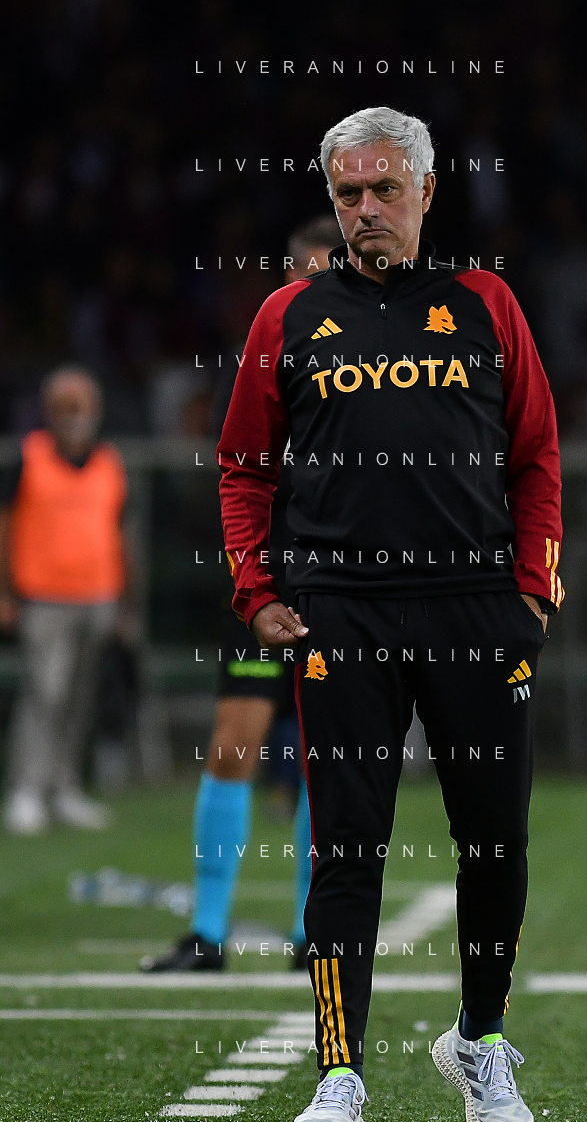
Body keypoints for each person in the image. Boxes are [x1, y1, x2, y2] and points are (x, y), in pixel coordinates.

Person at [218, 107, 564, 1122]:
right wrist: (256, 589)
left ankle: (481, 1039)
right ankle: (339, 1072)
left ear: (425, 192)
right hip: (341, 613)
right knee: (346, 847)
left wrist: (533, 590)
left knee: (494, 840)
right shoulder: (286, 316)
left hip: (475, 608)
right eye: (347, 194)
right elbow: (242, 466)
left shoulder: (486, 304)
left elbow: (536, 456)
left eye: (383, 190)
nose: (365, 209)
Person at [142, 217, 342, 973]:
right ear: (288, 278)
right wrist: (253, 580)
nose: (320, 288)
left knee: (327, 759)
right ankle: (207, 934)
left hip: (342, 581)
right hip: (271, 578)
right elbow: (238, 469)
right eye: (309, 274)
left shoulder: (377, 360)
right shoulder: (259, 357)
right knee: (233, 745)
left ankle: (311, 935)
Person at [0, 366, 129, 834]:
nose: (75, 415)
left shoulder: (110, 462)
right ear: (48, 411)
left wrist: (125, 602)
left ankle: (64, 787)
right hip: (43, 598)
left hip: (99, 596)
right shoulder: (27, 458)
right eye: (65, 406)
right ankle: (26, 790)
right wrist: (5, 593)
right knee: (44, 695)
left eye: (82, 405)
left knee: (79, 697)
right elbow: (5, 527)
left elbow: (122, 532)